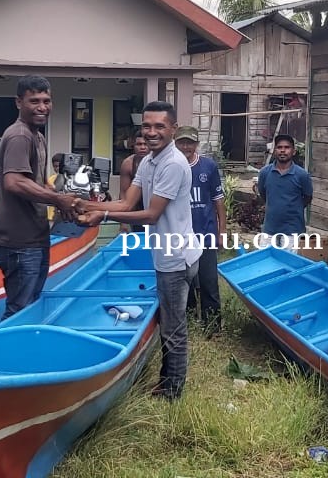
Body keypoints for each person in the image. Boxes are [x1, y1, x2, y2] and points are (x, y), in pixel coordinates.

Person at [76, 101, 201, 401]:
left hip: (176, 257)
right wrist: (83, 204)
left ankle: (171, 392)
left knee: (173, 327)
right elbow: (126, 203)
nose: (152, 132)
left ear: (172, 129)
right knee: (167, 320)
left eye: (159, 126)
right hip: (164, 254)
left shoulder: (173, 164)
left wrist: (102, 215)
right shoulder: (148, 162)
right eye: (147, 126)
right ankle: (166, 383)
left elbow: (151, 215)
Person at [0, 75, 79, 319]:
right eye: (34, 101)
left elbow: (36, 183)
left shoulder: (37, 136)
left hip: (35, 237)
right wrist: (57, 200)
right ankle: (7, 345)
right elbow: (15, 182)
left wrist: (63, 197)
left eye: (46, 101)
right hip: (18, 242)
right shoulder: (20, 135)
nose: (42, 107)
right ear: (19, 102)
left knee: (29, 306)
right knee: (20, 311)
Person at [175, 125, 225, 330]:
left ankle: (212, 325)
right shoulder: (170, 166)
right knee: (182, 279)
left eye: (190, 142)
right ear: (175, 143)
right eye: (182, 142)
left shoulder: (208, 166)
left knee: (208, 280)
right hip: (179, 235)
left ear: (196, 144)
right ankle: (187, 321)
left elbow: (218, 200)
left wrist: (222, 231)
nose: (186, 147)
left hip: (205, 233)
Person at [256, 134, 313, 244]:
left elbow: (307, 197)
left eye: (287, 147)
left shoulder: (302, 175)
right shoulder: (265, 173)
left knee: (289, 256)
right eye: (279, 147)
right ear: (274, 151)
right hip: (270, 229)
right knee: (267, 255)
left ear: (293, 151)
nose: (283, 150)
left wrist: (293, 207)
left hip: (293, 231)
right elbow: (263, 194)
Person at [119, 133, 150, 234]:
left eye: (145, 144)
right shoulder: (128, 164)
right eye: (139, 144)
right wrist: (123, 222)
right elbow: (124, 193)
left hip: (155, 206)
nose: (142, 147)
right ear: (133, 145)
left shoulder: (160, 162)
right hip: (136, 209)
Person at [46, 153, 67, 222]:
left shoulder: (70, 179)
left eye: (59, 166)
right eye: (55, 166)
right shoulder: (51, 179)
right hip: (52, 215)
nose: (57, 168)